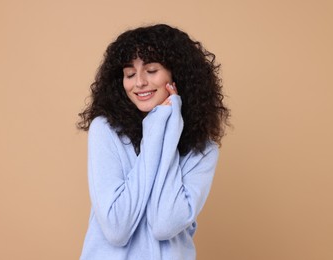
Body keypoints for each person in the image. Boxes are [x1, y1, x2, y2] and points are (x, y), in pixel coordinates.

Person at [77, 23, 230, 260]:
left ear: (175, 74)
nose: (139, 82)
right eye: (129, 74)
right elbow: (117, 228)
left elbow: (164, 224)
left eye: (151, 71)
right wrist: (155, 129)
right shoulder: (106, 130)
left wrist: (168, 130)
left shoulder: (203, 149)